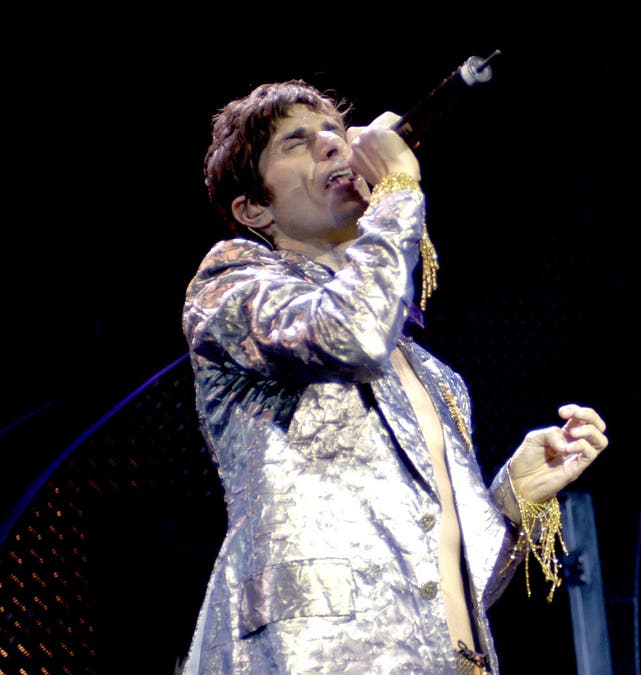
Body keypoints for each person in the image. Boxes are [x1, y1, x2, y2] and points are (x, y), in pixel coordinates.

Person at [180, 79, 609, 674]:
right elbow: (348, 333)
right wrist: (399, 195)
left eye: (335, 132)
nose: (333, 145)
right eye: (296, 142)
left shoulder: (435, 378)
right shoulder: (232, 283)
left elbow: (447, 587)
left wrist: (512, 498)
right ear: (255, 208)